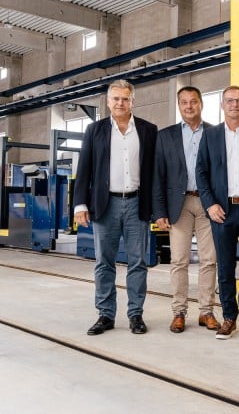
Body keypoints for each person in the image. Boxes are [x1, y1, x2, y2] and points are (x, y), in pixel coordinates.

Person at [74, 79, 158, 336]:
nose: (120, 103)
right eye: (115, 99)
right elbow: (84, 169)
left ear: (133, 101)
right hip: (105, 204)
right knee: (104, 262)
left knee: (138, 262)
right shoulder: (95, 130)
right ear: (108, 102)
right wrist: (80, 204)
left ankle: (135, 315)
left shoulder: (148, 130)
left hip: (137, 203)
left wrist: (158, 208)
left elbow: (155, 171)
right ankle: (106, 315)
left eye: (125, 99)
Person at [195, 85, 239, 342]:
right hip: (221, 210)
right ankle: (228, 318)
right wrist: (210, 204)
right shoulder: (210, 135)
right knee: (225, 266)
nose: (234, 104)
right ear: (222, 106)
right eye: (229, 101)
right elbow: (201, 172)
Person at [152, 86, 219, 334]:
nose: (189, 106)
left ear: (201, 104)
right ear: (179, 106)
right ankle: (179, 312)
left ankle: (206, 312)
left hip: (207, 204)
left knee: (209, 260)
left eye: (193, 102)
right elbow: (158, 175)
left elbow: (220, 172)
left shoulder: (215, 133)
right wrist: (159, 211)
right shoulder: (165, 136)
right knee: (179, 260)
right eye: (184, 102)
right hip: (177, 205)